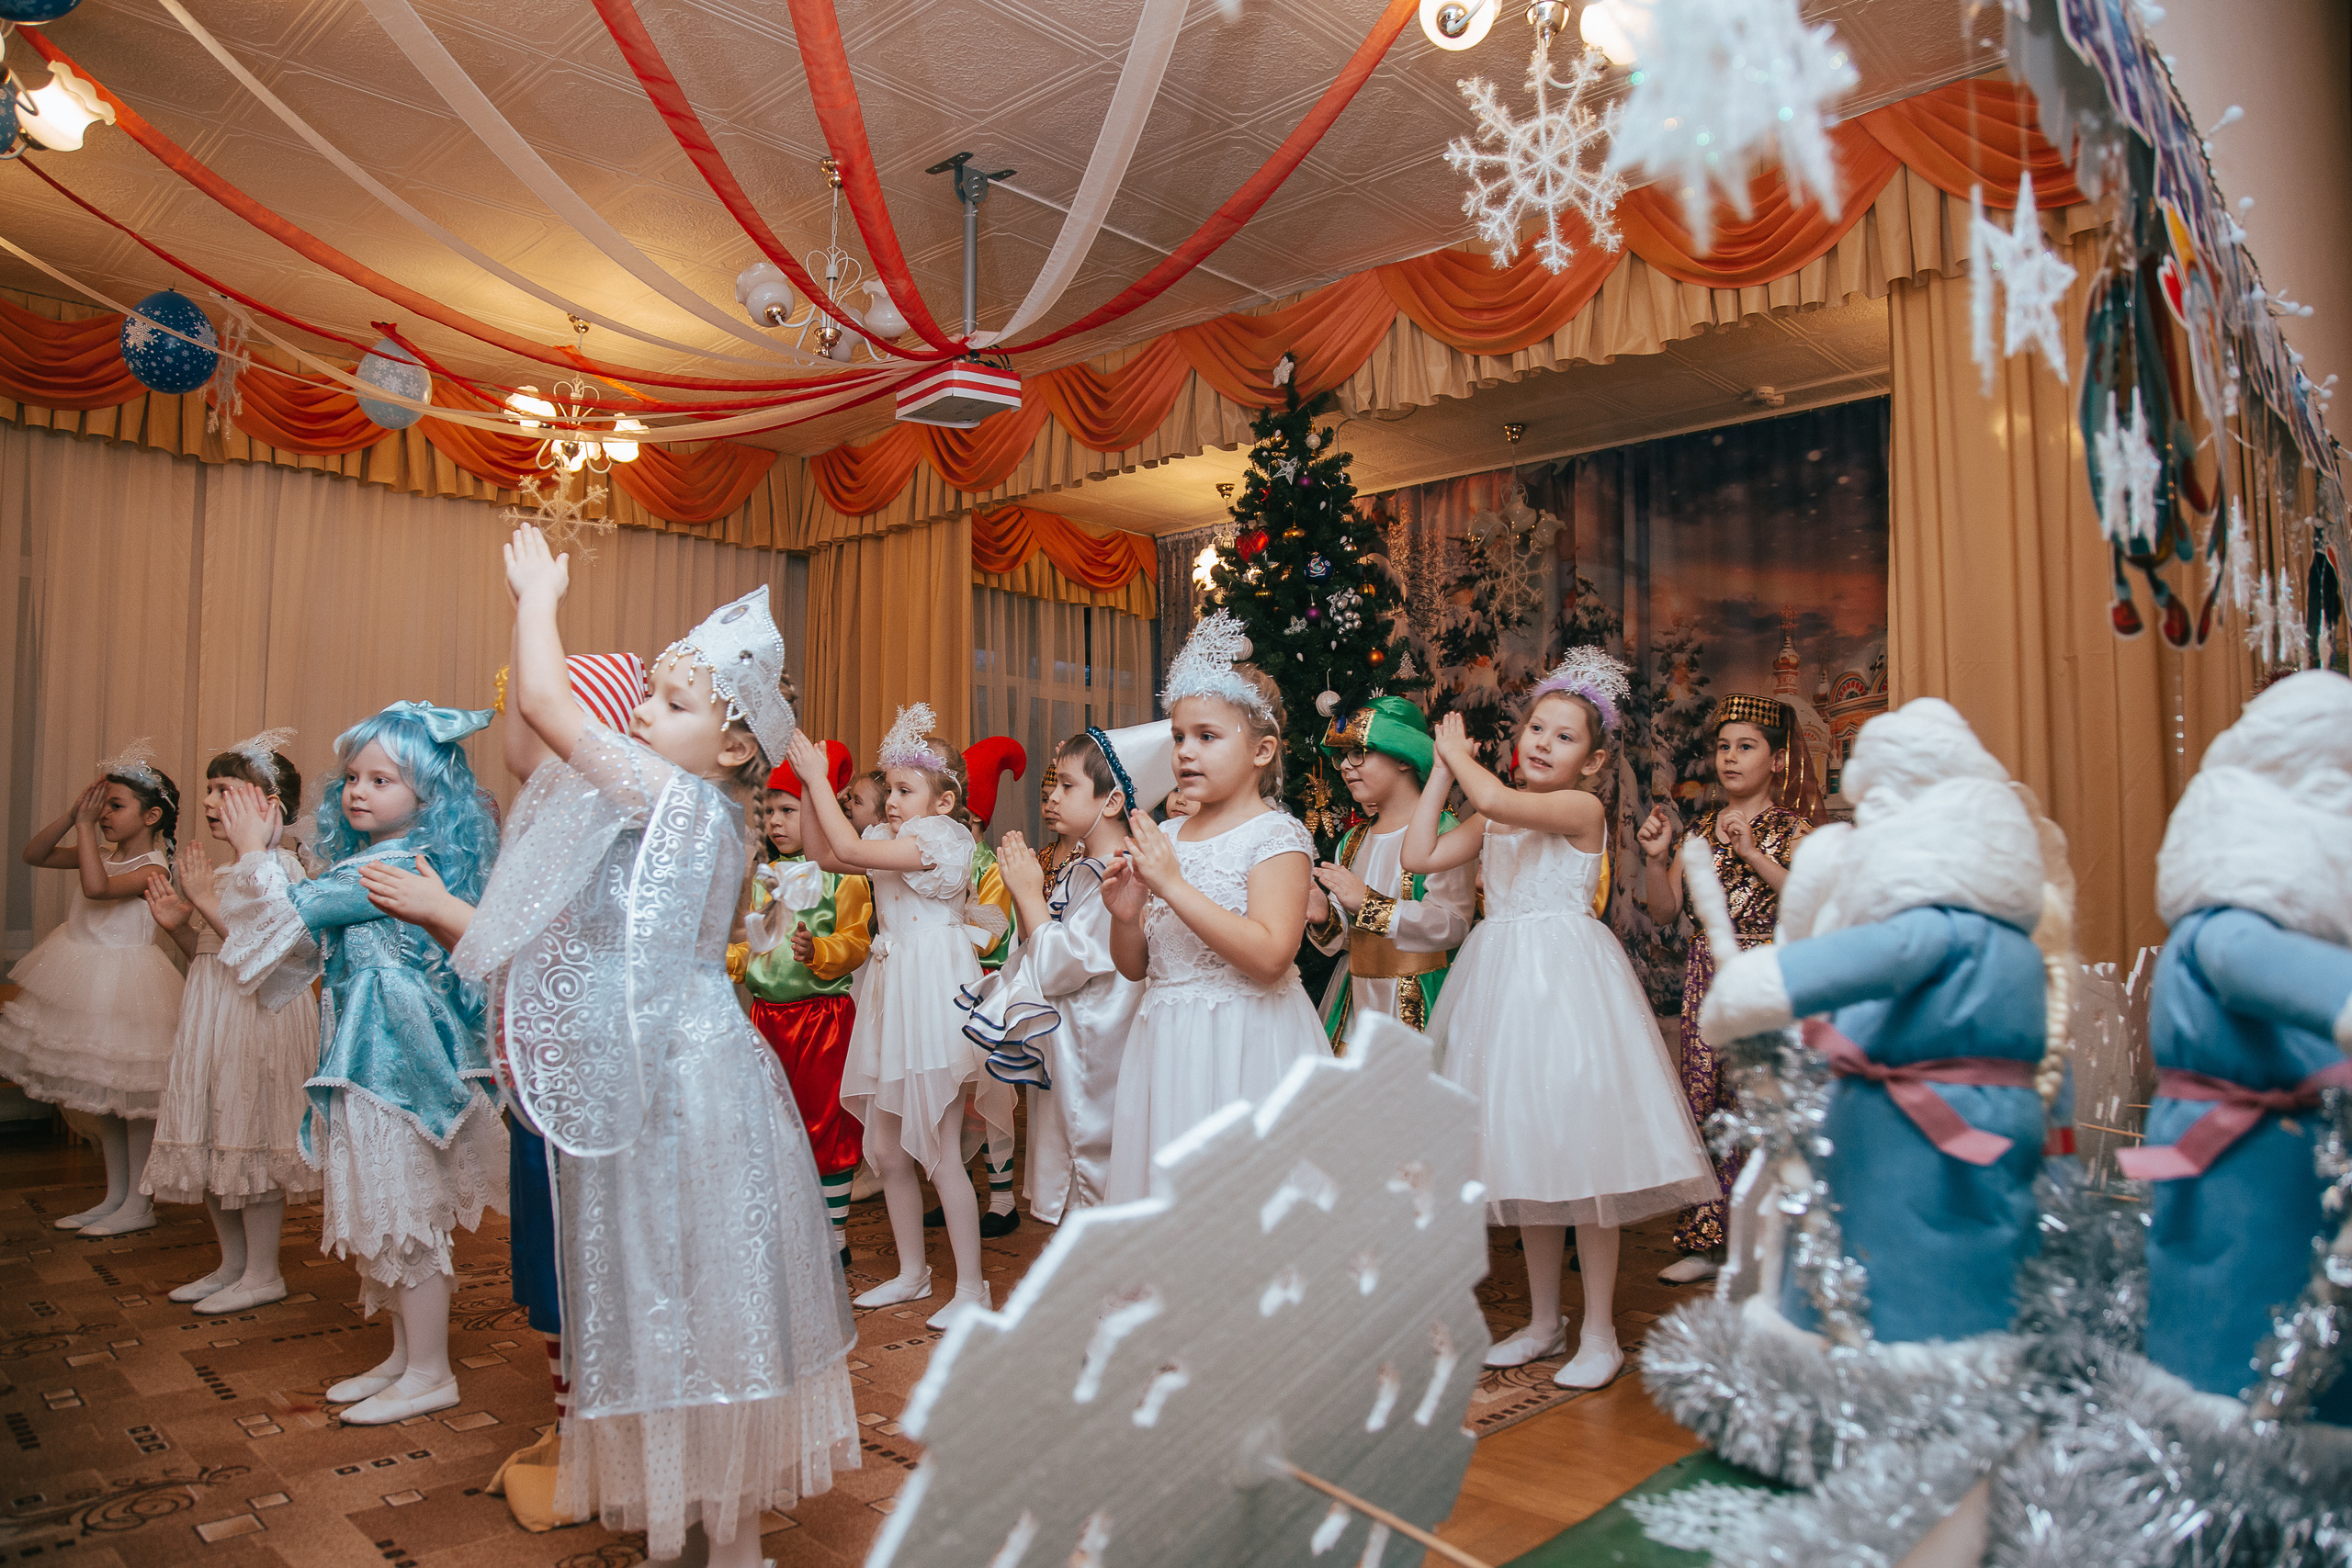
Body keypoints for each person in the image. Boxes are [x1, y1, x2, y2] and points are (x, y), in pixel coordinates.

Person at [458, 534, 857, 1566]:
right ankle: (691, 1516)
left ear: (731, 750)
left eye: (671, 707)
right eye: (650, 698)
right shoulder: (669, 805)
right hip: (657, 1069)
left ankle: (731, 1539)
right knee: (656, 1290)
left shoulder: (683, 803)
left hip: (683, 1079)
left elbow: (549, 709)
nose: (640, 712)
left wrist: (540, 596)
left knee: (705, 1291)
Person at [1700, 697, 2070, 1347]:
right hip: (1989, 1136)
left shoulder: (1927, 929)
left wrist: (1743, 993)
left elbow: (1808, 974)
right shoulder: (2021, 946)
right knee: (1980, 1273)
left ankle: (1882, 1381)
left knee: (1897, 1281)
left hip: (1909, 1144)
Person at [1408, 651, 1715, 1390]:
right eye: (1536, 727)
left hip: (1570, 991)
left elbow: (1507, 805)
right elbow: (1421, 852)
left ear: (1595, 759)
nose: (1542, 741)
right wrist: (1444, 772)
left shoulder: (1582, 809)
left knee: (1583, 1160)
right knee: (1526, 1158)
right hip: (1502, 990)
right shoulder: (1491, 807)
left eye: (1564, 735)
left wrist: (1460, 758)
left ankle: (1601, 1331)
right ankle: (1545, 1323)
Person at [215, 702, 505, 1425]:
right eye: (353, 777)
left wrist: (258, 852)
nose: (359, 790)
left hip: (396, 1066)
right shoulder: (370, 861)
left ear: (428, 796)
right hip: (371, 1057)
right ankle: (407, 1359)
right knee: (386, 1208)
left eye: (383, 778)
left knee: (404, 1214)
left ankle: (432, 1370)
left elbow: (292, 912)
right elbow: (301, 943)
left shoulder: (388, 867)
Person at [2115, 671, 2352, 1424]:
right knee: (2240, 1314)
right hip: (2243, 1163)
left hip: (2297, 1155)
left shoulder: (2299, 908)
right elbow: (2271, 969)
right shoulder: (2231, 916)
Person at [788, 705, 1008, 1326]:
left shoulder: (944, 839)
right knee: (887, 1147)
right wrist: (812, 785)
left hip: (932, 995)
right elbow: (826, 852)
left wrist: (814, 777)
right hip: (894, 995)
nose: (891, 800)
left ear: (944, 801)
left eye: (905, 790)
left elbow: (850, 842)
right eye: (889, 788)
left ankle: (972, 1288)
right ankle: (913, 1272)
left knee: (938, 1147)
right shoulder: (891, 839)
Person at [1102, 612, 1329, 1202]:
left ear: (1262, 751)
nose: (1186, 752)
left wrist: (1173, 887)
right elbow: (1137, 966)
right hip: (1170, 1042)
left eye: (1207, 736)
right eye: (1178, 737)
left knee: (1244, 1205)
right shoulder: (1168, 838)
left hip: (1247, 1043)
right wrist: (1126, 917)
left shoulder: (1275, 837)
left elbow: (1272, 955)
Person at [1634, 694, 1814, 1284]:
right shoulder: (1700, 832)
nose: (1730, 758)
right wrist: (1657, 859)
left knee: (1762, 1099)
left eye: (1746, 746)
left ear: (1778, 760)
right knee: (1705, 1096)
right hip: (1707, 975)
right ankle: (1707, 1240)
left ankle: (1770, 1241)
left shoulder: (1795, 830)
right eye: (1723, 746)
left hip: (1767, 971)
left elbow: (1813, 907)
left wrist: (1753, 854)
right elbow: (1664, 913)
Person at [141, 732, 320, 1311]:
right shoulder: (228, 871)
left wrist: (203, 899)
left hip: (260, 1015)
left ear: (269, 804)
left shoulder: (284, 868)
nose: (212, 803)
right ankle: (233, 1265)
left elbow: (266, 955)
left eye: (226, 791)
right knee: (216, 1131)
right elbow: (217, 948)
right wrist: (179, 925)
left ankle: (264, 1273)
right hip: (215, 1008)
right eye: (209, 790)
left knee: (253, 1133)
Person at [967, 723, 1173, 1224]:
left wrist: (1027, 893)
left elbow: (1060, 966)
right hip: (1075, 1050)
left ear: (1111, 801)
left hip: (1097, 1057)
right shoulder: (1086, 864)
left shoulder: (1117, 873)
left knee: (1099, 1200)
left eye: (1067, 785)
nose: (1052, 797)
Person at [0, 744, 186, 1236]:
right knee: (106, 1097)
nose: (104, 815)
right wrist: (72, 816)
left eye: (115, 805)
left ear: (150, 815)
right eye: (102, 804)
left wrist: (83, 830)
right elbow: (33, 854)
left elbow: (97, 889)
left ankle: (140, 1204)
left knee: (133, 1101)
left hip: (128, 988)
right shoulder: (99, 851)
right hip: (87, 978)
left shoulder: (153, 868)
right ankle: (115, 1197)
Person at [740, 739, 870, 1265]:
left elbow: (857, 943)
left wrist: (819, 949)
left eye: (788, 810)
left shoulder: (843, 876)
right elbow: (757, 947)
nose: (775, 821)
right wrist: (724, 960)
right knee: (770, 1125)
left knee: (825, 1124)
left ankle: (834, 1237)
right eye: (769, 811)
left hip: (822, 1021)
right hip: (765, 1018)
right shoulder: (767, 876)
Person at [1306, 696, 1475, 1041]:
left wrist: (1369, 904)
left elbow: (1453, 925)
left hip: (1421, 1003)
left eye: (1358, 754)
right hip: (1357, 1004)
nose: (1344, 767)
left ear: (1403, 757)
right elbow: (1350, 939)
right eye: (1341, 757)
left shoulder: (1446, 832)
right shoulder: (1351, 841)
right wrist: (1325, 917)